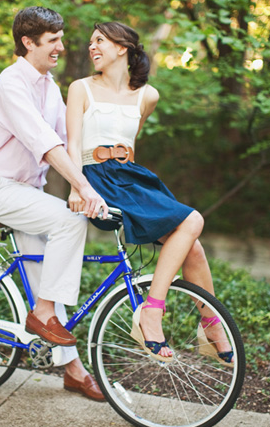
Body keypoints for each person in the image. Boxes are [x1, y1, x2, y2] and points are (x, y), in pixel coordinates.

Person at [64, 20, 233, 364]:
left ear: (122, 48)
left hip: (131, 177)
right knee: (194, 219)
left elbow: (129, 144)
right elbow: (73, 143)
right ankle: (151, 312)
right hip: (98, 180)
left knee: (194, 250)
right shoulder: (80, 88)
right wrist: (77, 187)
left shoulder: (147, 96)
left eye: (100, 41)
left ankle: (211, 325)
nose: (91, 47)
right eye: (91, 43)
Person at [0, 6, 110, 402]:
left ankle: (71, 370)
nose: (61, 47)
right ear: (27, 43)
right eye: (52, 41)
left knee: (45, 279)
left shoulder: (48, 85)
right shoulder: (11, 84)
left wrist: (104, 176)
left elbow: (69, 140)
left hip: (26, 193)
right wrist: (82, 189)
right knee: (71, 223)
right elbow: (46, 145)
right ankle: (43, 313)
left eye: (61, 39)